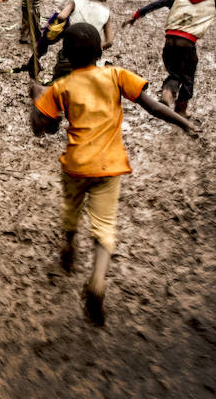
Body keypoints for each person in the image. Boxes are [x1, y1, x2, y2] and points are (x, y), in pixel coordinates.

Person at [30, 23, 195, 326]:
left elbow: (41, 128)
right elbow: (153, 106)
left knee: (71, 211)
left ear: (65, 54)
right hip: (110, 166)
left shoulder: (62, 87)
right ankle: (97, 282)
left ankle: (68, 246)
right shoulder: (117, 75)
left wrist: (37, 97)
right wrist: (182, 123)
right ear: (99, 51)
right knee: (105, 227)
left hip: (76, 166)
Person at [123, 0, 216, 116]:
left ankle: (167, 94)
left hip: (169, 42)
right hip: (187, 44)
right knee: (187, 78)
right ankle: (181, 109)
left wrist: (136, 15)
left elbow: (156, 4)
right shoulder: (214, 2)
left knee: (175, 75)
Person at [47, 0, 115, 81]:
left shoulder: (75, 2)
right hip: (89, 60)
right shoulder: (105, 13)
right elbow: (109, 41)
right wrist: (93, 49)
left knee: (58, 83)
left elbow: (62, 16)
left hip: (69, 55)